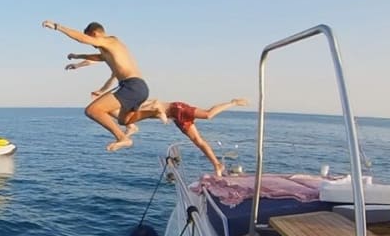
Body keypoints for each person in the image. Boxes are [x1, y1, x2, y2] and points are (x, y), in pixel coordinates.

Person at [44, 20, 162, 151]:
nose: (93, 45)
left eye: (91, 40)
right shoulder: (111, 48)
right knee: (124, 121)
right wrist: (77, 58)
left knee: (92, 110)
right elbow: (99, 57)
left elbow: (82, 39)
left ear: (95, 34)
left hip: (131, 86)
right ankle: (155, 111)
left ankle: (123, 138)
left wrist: (57, 27)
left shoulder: (110, 40)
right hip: (138, 87)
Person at [148, 98, 249, 175]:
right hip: (176, 117)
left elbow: (156, 103)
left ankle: (233, 102)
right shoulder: (139, 111)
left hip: (178, 109)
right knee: (198, 141)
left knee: (208, 115)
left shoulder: (144, 102)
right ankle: (217, 165)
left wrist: (161, 114)